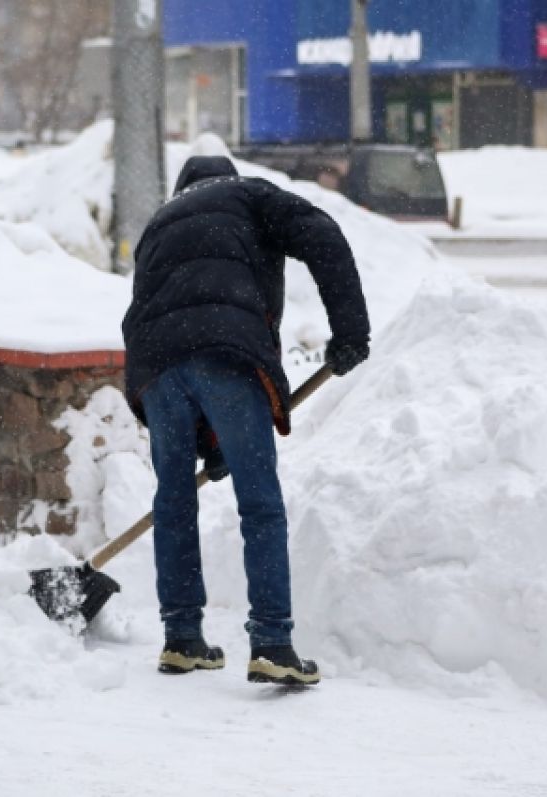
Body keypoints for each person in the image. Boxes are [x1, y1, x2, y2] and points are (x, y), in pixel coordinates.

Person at [121, 156, 370, 686]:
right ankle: (272, 642)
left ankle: (182, 638)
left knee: (173, 502)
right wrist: (351, 330)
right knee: (259, 504)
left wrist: (203, 438)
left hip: (156, 368)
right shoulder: (249, 194)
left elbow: (153, 315)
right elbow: (322, 234)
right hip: (226, 352)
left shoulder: (159, 224)